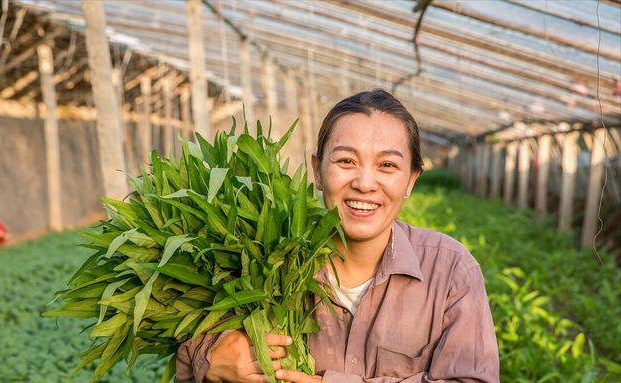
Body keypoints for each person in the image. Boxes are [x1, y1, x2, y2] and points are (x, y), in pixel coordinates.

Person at [176, 89, 500, 383]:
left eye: (387, 165)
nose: (365, 182)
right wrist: (207, 362)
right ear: (317, 171)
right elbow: (188, 354)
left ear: (411, 181)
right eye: (346, 161)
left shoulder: (451, 272)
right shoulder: (262, 259)